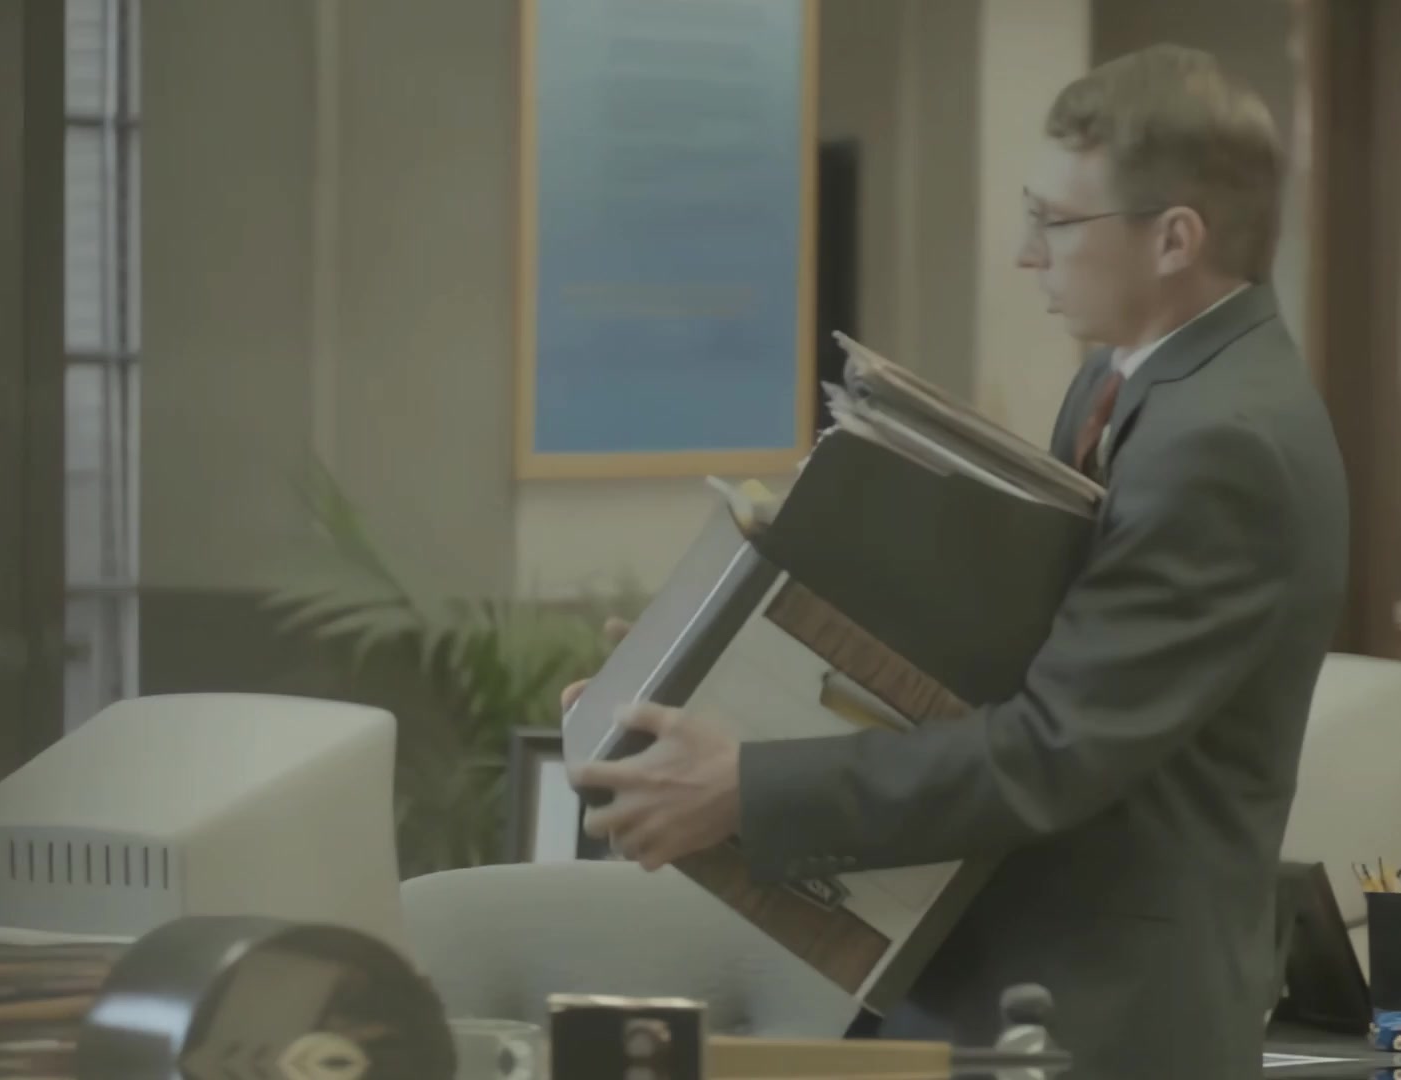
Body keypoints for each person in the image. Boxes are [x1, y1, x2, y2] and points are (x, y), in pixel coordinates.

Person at [562, 44, 1349, 1080]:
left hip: (1111, 1013)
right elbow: (1017, 657)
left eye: (1056, 222)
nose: (1028, 254)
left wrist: (746, 786)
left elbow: (1053, 750)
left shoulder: (1224, 442)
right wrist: (708, 675)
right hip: (1016, 974)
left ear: (1173, 239)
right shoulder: (1127, 385)